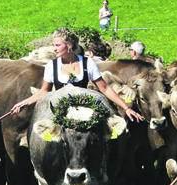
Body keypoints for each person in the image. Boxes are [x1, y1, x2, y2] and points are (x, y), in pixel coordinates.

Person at [10, 27, 143, 122]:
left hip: (84, 110)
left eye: (57, 45)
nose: (54, 48)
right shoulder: (52, 65)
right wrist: (24, 103)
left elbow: (104, 88)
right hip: (58, 110)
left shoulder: (87, 63)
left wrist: (126, 108)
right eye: (53, 45)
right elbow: (45, 90)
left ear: (69, 45)